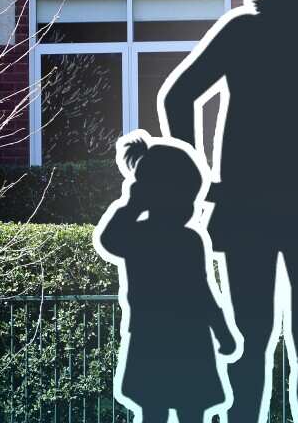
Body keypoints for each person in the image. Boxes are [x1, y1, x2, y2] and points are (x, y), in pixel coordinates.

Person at [161, 0, 298, 423]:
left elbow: (177, 97)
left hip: (246, 205)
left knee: (247, 338)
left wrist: (196, 178)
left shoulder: (241, 31)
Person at [94, 134, 237, 423]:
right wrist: (222, 332)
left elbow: (110, 240)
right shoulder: (188, 240)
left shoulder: (140, 235)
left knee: (153, 411)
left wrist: (132, 204)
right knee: (190, 411)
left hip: (152, 336)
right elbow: (202, 291)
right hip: (189, 339)